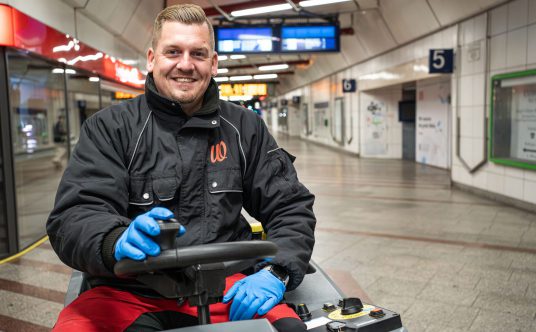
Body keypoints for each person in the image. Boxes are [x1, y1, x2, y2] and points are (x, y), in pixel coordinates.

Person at [46, 4, 316, 332]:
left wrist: (277, 272)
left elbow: (291, 208)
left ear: (213, 63)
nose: (185, 65)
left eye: (198, 54)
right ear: (151, 58)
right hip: (127, 289)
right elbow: (75, 216)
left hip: (227, 288)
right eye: (173, 51)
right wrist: (114, 240)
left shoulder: (245, 128)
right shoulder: (110, 128)